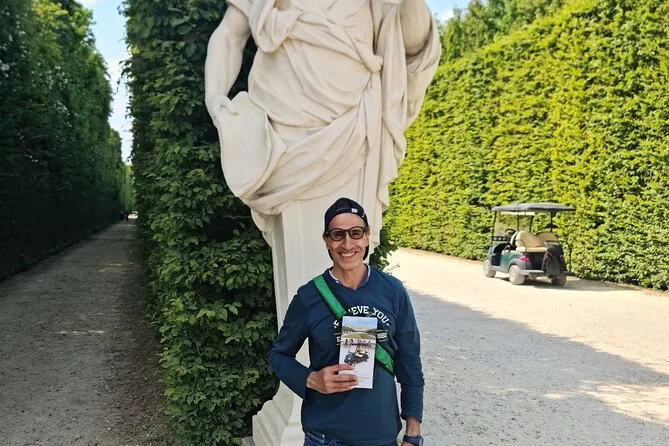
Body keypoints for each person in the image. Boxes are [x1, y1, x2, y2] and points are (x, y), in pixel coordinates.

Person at [204, 0, 441, 249]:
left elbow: (411, 44)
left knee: (347, 244)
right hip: (283, 119)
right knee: (299, 245)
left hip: (354, 122)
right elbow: (231, 34)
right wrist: (215, 95)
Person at [268, 198, 425, 446]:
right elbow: (278, 356)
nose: (347, 244)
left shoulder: (392, 291)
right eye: (337, 234)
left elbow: (410, 360)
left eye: (356, 233)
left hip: (380, 434)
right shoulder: (309, 296)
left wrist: (413, 432)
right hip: (325, 437)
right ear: (327, 240)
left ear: (367, 237)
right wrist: (311, 379)